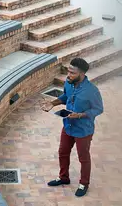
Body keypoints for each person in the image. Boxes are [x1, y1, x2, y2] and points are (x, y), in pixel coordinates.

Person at [40, 57, 104, 197]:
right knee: (63, 152)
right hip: (68, 126)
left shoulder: (92, 91)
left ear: (81, 74)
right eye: (68, 71)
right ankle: (64, 177)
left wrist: (80, 115)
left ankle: (84, 184)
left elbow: (99, 109)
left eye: (72, 73)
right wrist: (53, 103)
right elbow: (65, 96)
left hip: (83, 130)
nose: (68, 75)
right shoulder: (68, 84)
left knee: (83, 157)